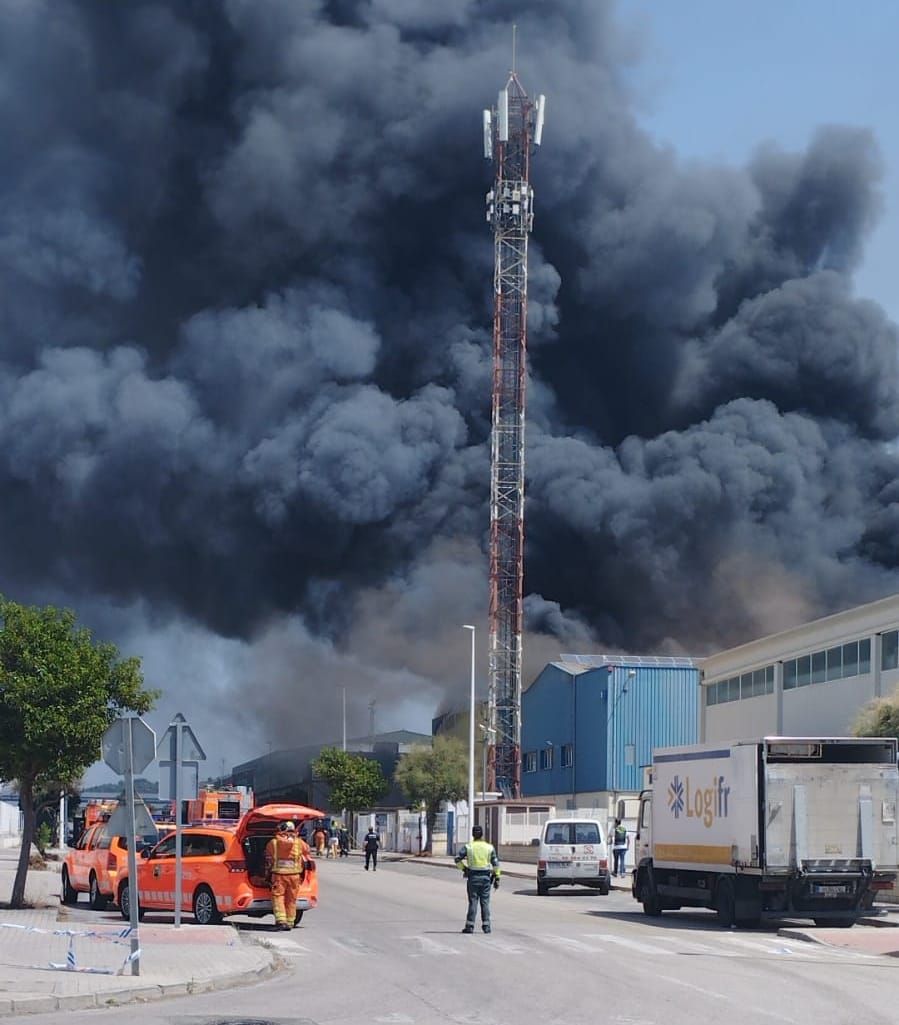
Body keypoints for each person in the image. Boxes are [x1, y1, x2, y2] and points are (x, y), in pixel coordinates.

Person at [264, 820, 312, 930]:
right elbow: (307, 851)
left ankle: (281, 921)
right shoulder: (299, 843)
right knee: (291, 899)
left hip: (279, 875)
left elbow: (267, 856)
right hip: (295, 876)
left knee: (278, 898)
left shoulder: (273, 843)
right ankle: (290, 922)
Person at [454, 825, 500, 934]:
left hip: (473, 877)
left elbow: (457, 859)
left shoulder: (468, 847)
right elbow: (495, 863)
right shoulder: (489, 847)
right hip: (485, 878)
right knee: (485, 903)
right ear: (482, 834)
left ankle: (470, 926)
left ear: (473, 835)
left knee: (473, 902)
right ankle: (486, 926)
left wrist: (464, 869)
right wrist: (497, 876)